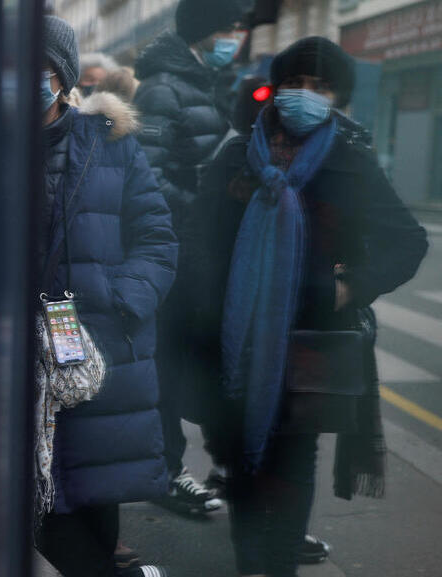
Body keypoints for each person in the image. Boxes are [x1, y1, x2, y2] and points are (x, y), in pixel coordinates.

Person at [183, 37, 427, 577]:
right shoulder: (236, 153)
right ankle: (252, 565)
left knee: (294, 464)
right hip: (237, 339)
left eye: (319, 87)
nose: (304, 96)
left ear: (336, 95)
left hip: (313, 341)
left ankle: (280, 565)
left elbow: (407, 241)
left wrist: (351, 288)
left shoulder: (350, 159)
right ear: (276, 87)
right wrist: (211, 298)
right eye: (294, 83)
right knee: (243, 462)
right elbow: (196, 236)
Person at [33, 16, 177, 577]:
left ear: (64, 77)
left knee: (99, 490)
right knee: (36, 503)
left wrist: (122, 301)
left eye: (43, 70)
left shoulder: (110, 145)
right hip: (20, 354)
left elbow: (156, 237)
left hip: (102, 342)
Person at [133, 0, 250, 517]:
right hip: (181, 254)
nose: (237, 36)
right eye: (229, 26)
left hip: (210, 252)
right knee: (172, 367)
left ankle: (233, 472)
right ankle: (170, 471)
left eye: (241, 27)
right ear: (204, 29)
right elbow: (148, 174)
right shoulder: (164, 85)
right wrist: (205, 205)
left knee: (216, 363)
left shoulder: (210, 80)